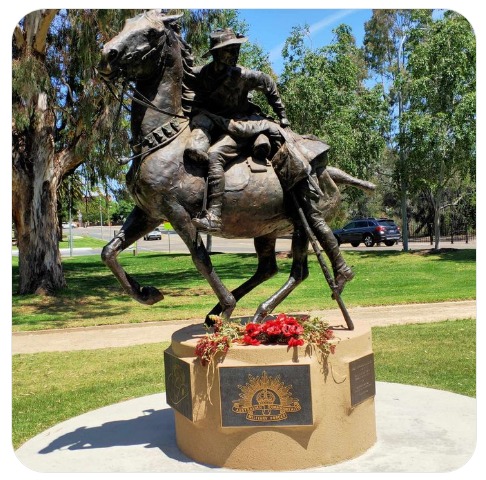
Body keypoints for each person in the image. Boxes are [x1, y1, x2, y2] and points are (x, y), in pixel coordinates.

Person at [187, 28, 354, 293]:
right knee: (212, 150)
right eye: (229, 50)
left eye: (236, 49)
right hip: (219, 124)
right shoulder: (203, 75)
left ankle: (214, 214)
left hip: (243, 125)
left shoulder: (245, 76)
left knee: (217, 155)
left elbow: (269, 85)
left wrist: (282, 116)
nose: (234, 54)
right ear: (217, 53)